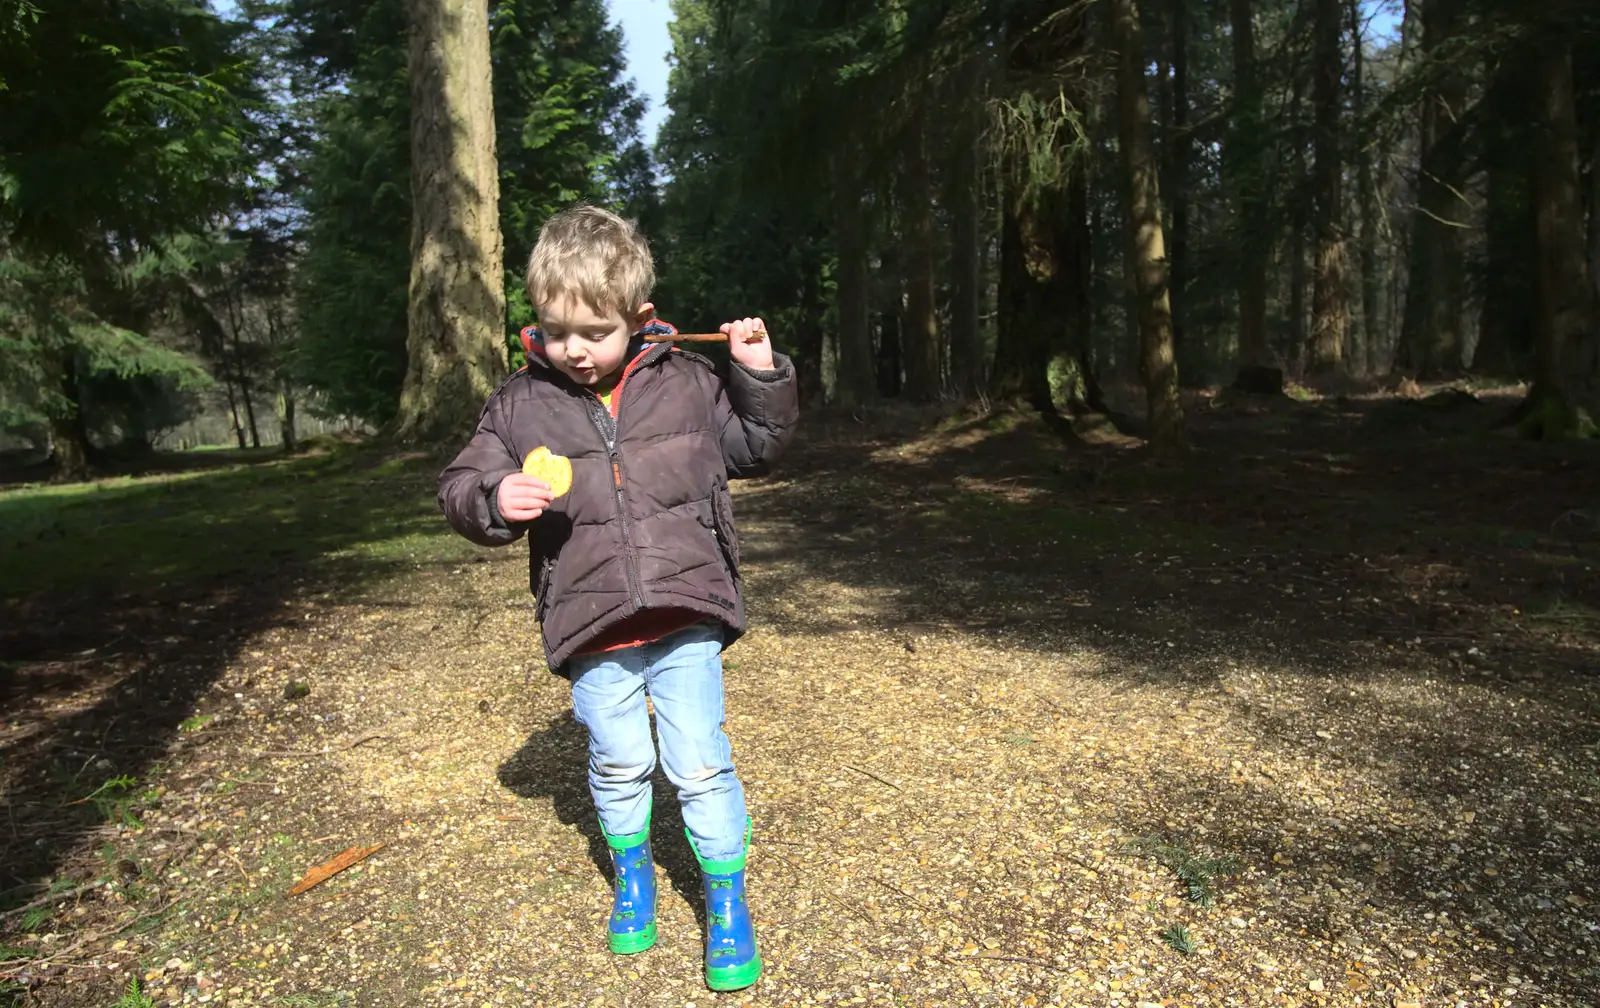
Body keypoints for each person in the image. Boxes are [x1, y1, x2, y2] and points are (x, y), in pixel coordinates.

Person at [437, 204, 798, 992]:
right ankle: (634, 873)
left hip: (685, 606)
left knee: (699, 760)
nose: (573, 350)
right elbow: (460, 483)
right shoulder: (518, 402)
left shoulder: (689, 383)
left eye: (593, 332)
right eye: (556, 329)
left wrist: (760, 373)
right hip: (590, 614)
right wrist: (496, 498)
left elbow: (757, 447)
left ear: (637, 319)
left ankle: (726, 897)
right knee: (621, 756)